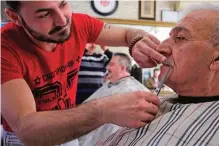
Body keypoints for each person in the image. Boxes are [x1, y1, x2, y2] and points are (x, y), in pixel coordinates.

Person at [1, 1, 166, 146]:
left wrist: (137, 41)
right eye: (44, 14)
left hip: (68, 130)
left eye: (63, 4)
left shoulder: (79, 24)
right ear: (15, 18)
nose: (63, 20)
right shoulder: (5, 49)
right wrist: (105, 110)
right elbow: (28, 130)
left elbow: (127, 34)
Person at [88, 3, 219, 146]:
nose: (160, 47)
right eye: (170, 37)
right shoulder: (157, 104)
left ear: (216, 59)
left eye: (180, 38)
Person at [79, 52, 151, 146]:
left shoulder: (131, 90)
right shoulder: (108, 86)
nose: (107, 68)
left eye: (111, 65)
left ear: (122, 68)